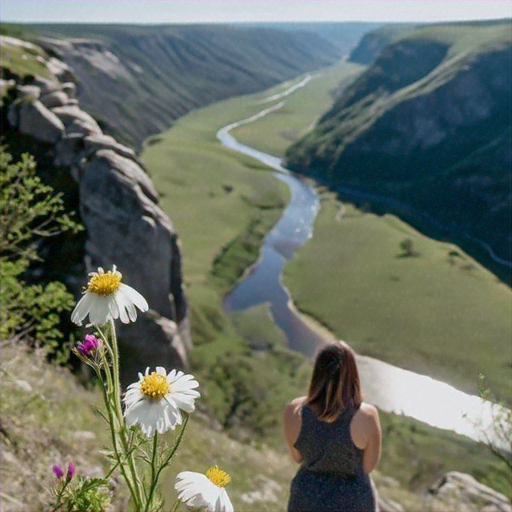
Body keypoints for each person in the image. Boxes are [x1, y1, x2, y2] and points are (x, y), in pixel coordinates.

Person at [283, 340, 382, 512]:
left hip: (306, 499)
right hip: (353, 502)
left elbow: (297, 457)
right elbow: (367, 467)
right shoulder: (366, 416)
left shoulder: (294, 410)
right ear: (353, 373)